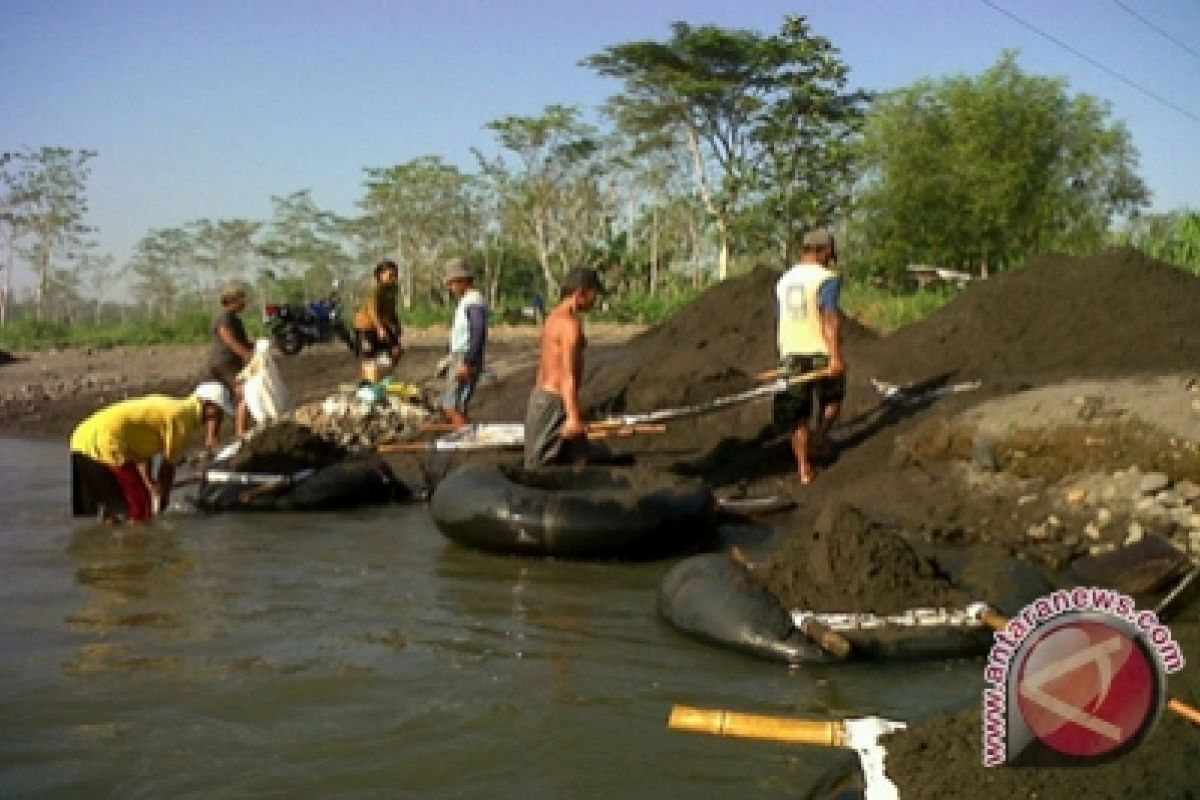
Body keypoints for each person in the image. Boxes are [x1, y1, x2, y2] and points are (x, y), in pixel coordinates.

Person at [70, 383, 234, 523]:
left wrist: (148, 481)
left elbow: (143, 448)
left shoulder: (172, 407)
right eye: (218, 411)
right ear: (207, 404)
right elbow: (167, 469)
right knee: (141, 509)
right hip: (106, 443)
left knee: (114, 506)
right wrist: (163, 501)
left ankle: (110, 551)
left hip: (82, 438)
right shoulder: (182, 419)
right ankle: (138, 551)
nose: (218, 417)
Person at [774, 229, 846, 485]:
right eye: (830, 251)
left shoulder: (784, 280)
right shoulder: (826, 277)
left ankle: (804, 468)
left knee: (798, 414)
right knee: (833, 398)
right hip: (819, 352)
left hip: (791, 352)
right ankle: (820, 437)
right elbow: (830, 318)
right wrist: (836, 356)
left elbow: (780, 318)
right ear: (824, 250)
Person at [524, 267, 604, 469]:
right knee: (539, 466)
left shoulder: (553, 318)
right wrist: (573, 417)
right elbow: (566, 374)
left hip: (550, 398)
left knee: (580, 456)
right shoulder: (569, 324)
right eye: (594, 294)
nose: (596, 300)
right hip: (553, 402)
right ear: (581, 293)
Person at [441, 258, 489, 428]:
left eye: (452, 283)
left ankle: (465, 436)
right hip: (462, 356)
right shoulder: (470, 300)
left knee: (450, 405)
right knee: (458, 405)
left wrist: (467, 363)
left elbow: (478, 331)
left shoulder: (473, 301)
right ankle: (464, 430)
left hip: (465, 357)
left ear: (462, 281)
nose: (450, 288)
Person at [206, 282, 253, 445]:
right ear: (232, 300)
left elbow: (242, 342)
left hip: (220, 363)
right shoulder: (224, 318)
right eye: (242, 299)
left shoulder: (234, 319)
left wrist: (256, 347)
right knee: (244, 393)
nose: (245, 302)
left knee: (217, 398)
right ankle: (241, 434)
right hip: (226, 363)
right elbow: (230, 341)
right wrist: (248, 355)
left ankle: (212, 439)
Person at [354, 259, 403, 384]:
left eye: (395, 274)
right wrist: (379, 328)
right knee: (368, 356)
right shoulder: (375, 288)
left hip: (382, 323)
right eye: (390, 275)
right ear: (380, 275)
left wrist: (397, 325)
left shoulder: (394, 289)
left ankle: (384, 377)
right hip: (366, 325)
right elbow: (372, 309)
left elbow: (392, 309)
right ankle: (366, 383)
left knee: (396, 349)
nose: (393, 277)